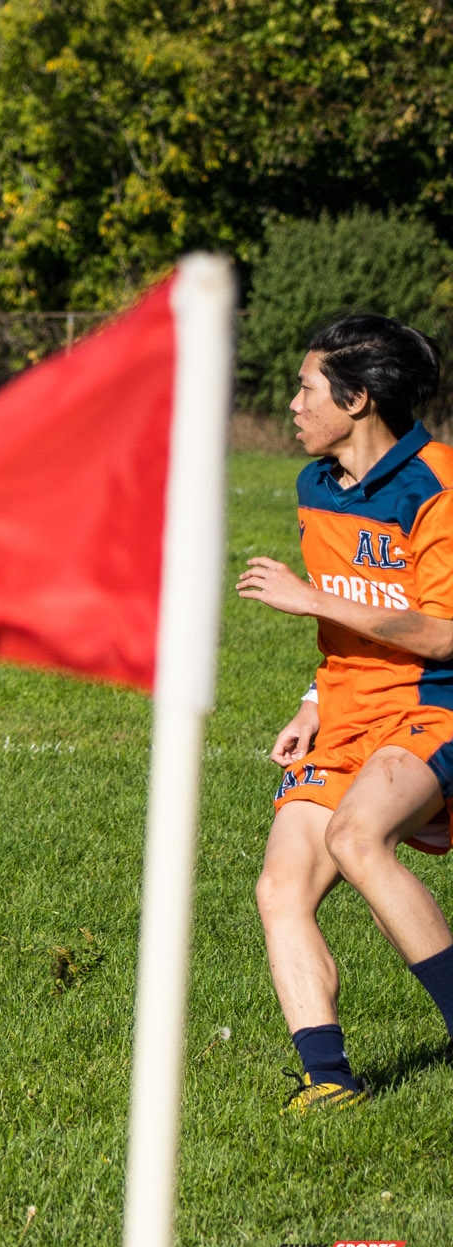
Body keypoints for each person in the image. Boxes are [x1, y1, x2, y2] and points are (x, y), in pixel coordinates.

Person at [240, 312, 453, 1112]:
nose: (292, 402)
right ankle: (328, 1080)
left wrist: (308, 597)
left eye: (306, 386)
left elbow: (441, 631)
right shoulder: (315, 485)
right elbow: (347, 623)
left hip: (434, 704)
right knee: (278, 887)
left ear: (358, 398)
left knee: (357, 836)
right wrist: (310, 702)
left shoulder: (436, 484)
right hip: (348, 711)